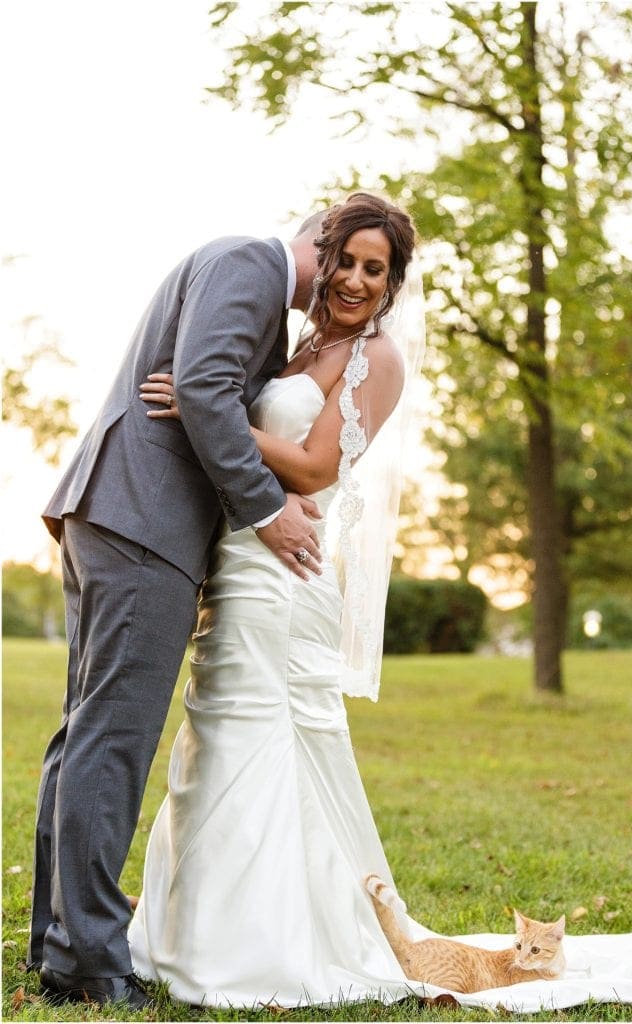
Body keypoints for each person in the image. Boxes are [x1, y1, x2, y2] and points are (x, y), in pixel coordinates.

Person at [126, 192, 429, 1008]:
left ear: (393, 283)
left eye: (378, 269)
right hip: (239, 560)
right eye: (352, 262)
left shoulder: (377, 360)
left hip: (286, 576)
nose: (359, 280)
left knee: (255, 734)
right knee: (214, 731)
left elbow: (317, 466)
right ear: (325, 258)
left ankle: (256, 949)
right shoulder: (299, 348)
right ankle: (190, 931)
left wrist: (206, 405)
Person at [31, 217, 329, 1011]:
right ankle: (90, 957)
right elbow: (200, 386)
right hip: (143, 522)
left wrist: (219, 395)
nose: (341, 285)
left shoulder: (247, 280)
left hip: (122, 514)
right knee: (113, 739)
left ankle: (58, 941)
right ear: (320, 238)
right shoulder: (249, 263)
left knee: (87, 733)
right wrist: (269, 509)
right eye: (340, 262)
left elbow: (204, 387)